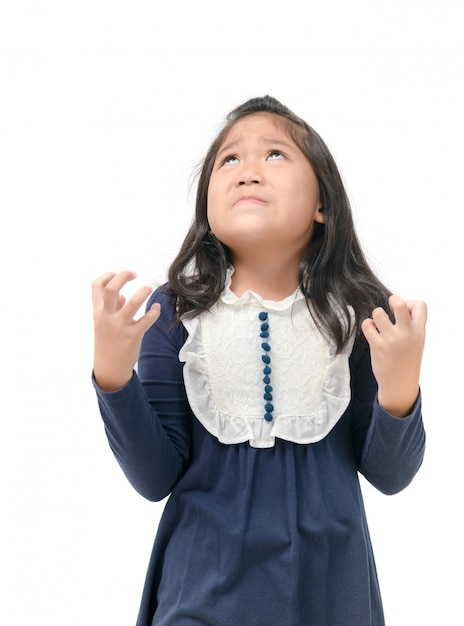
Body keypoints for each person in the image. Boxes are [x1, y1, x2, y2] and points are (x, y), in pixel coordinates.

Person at [91, 95, 427, 626]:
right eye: (229, 160)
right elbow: (155, 477)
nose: (247, 171)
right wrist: (113, 377)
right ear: (207, 206)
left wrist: (400, 390)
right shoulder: (173, 313)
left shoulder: (362, 317)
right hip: (199, 589)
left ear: (323, 204)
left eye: (274, 155)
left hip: (331, 594)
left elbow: (390, 475)